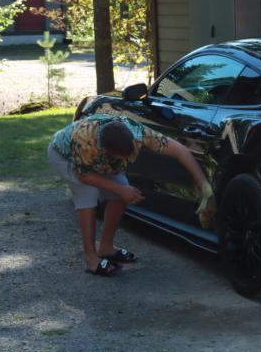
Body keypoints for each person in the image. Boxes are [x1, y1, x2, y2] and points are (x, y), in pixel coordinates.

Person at [47, 112, 214, 276]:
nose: (129, 160)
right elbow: (84, 176)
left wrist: (203, 184)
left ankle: (106, 247)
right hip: (65, 156)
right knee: (88, 194)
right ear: (106, 152)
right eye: (123, 157)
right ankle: (90, 257)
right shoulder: (85, 141)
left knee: (122, 191)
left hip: (99, 160)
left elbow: (180, 150)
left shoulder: (138, 132)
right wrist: (121, 190)